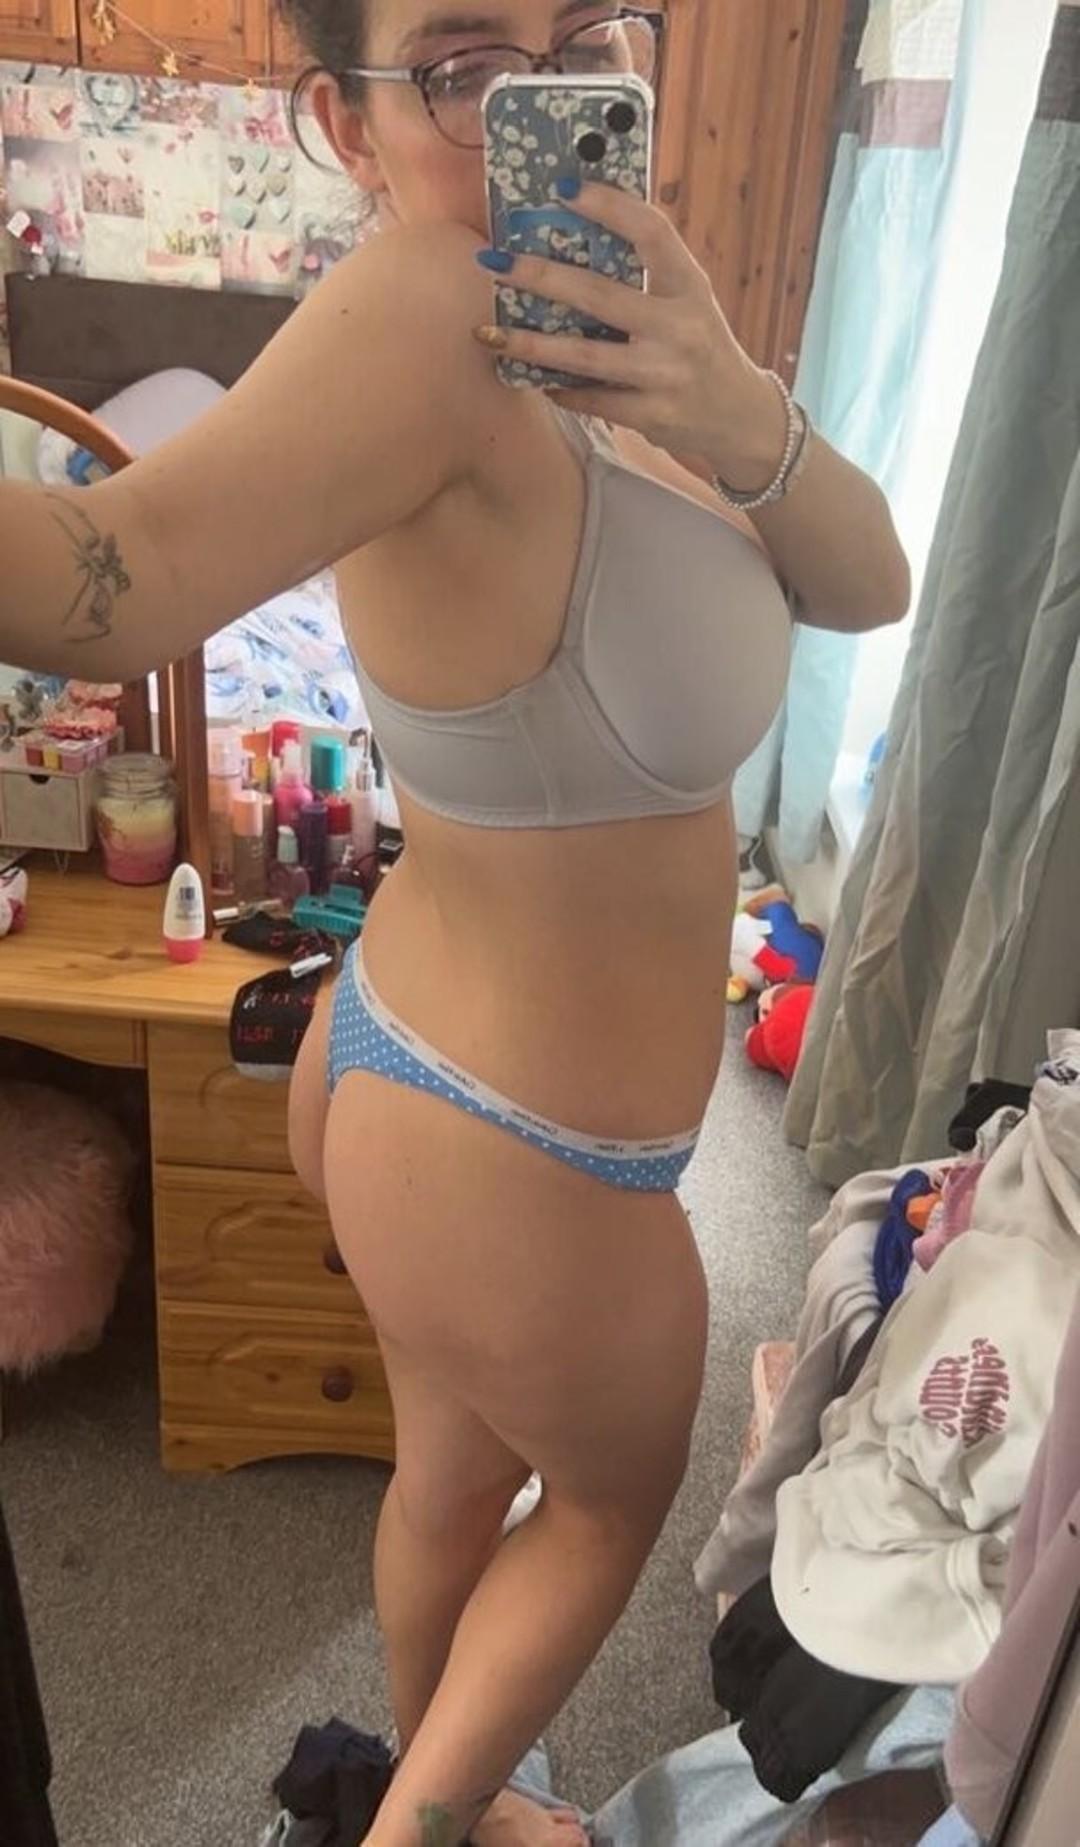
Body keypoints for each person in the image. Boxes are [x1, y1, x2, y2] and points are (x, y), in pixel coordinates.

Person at [0, 6, 909, 1842]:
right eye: (468, 64)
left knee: (452, 1478)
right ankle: (426, 1823)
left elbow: (868, 581)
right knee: (601, 1510)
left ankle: (444, 1782)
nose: (540, 103)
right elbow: (118, 580)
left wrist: (733, 403)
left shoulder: (625, 318)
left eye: (583, 39)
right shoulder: (426, 309)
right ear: (345, 121)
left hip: (411, 1065)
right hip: (527, 1156)